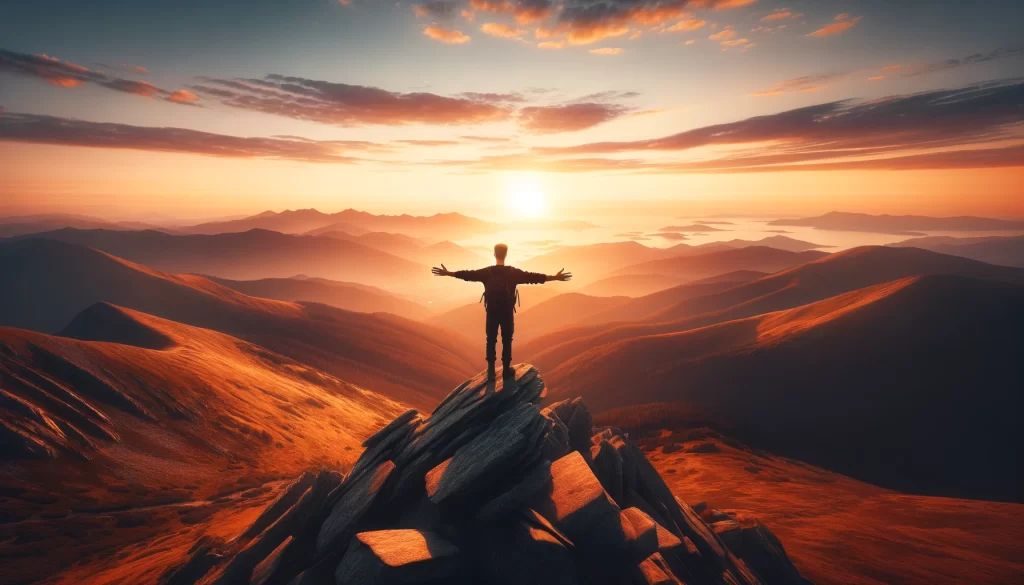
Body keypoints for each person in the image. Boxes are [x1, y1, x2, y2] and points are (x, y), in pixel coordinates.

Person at [433, 243, 571, 378]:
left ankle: (491, 370)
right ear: (506, 255)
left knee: (491, 339)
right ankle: (506, 370)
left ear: (494, 254)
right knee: (507, 339)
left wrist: (448, 273)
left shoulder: (486, 272)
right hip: (507, 311)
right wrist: (555, 277)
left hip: (492, 310)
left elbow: (468, 275)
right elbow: (534, 277)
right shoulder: (513, 273)